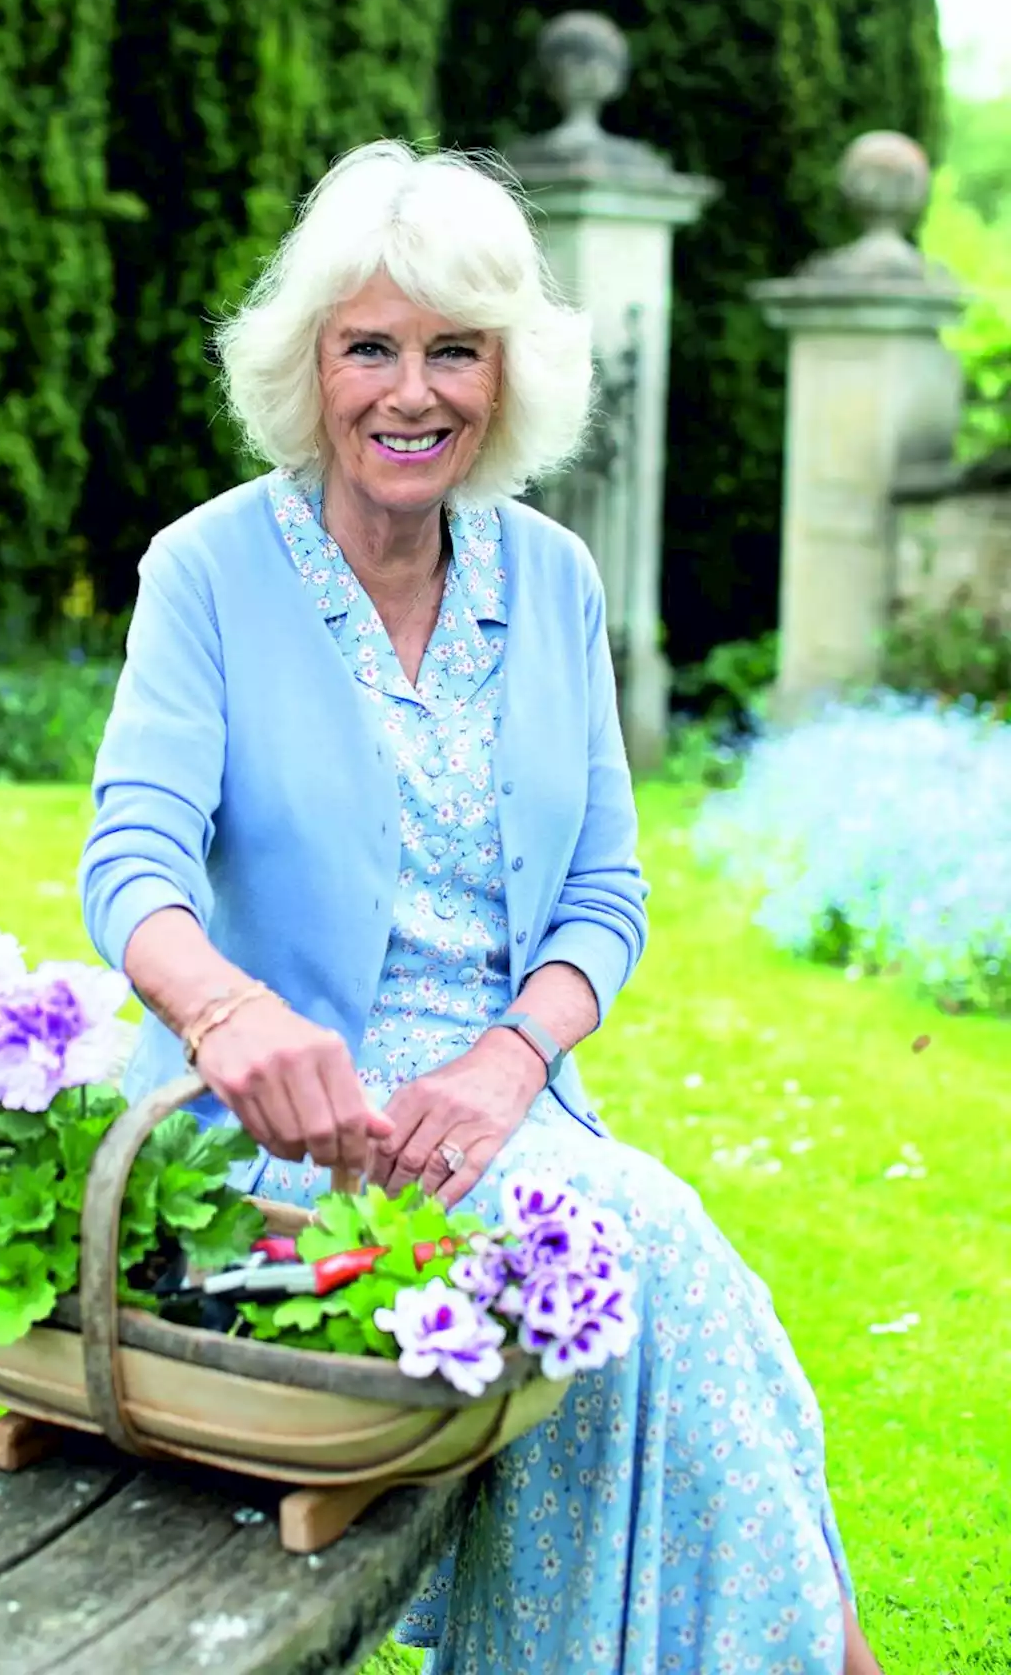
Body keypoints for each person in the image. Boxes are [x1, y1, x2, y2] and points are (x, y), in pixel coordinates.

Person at [79, 141, 879, 1675]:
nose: (411, 392)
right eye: (369, 347)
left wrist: (511, 1062)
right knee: (651, 1253)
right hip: (286, 1139)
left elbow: (603, 894)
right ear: (307, 366)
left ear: (506, 375)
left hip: (503, 1107)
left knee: (682, 1309)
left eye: (455, 351)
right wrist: (230, 1015)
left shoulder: (554, 579)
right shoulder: (208, 570)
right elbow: (133, 862)